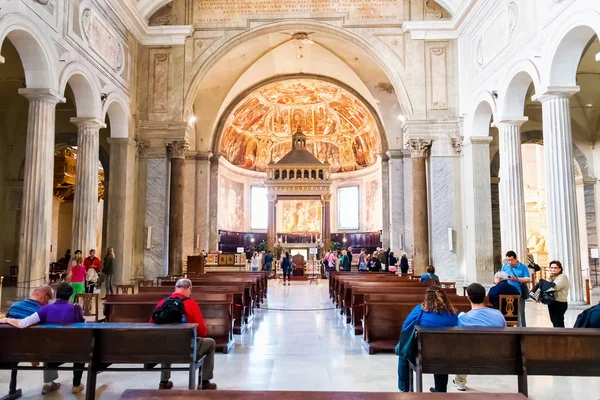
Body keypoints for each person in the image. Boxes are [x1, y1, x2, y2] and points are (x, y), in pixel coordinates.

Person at [0, 283, 86, 394]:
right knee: (81, 350)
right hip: (72, 352)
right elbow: (84, 325)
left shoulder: (45, 309)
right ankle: (76, 385)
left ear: (57, 295)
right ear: (70, 295)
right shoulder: (76, 308)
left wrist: (7, 320)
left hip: (48, 354)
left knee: (49, 345)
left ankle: (49, 383)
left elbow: (22, 323)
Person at [151, 279, 217, 390]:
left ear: (176, 288)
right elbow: (202, 331)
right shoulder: (191, 304)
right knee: (210, 343)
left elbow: (151, 325)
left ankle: (164, 381)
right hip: (187, 349)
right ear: (188, 289)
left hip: (165, 348)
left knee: (166, 341)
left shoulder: (162, 303)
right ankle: (205, 381)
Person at [398, 285, 458, 393]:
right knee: (441, 351)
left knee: (402, 351)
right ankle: (440, 389)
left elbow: (405, 327)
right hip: (444, 354)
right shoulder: (452, 314)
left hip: (422, 355)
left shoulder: (420, 310)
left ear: (426, 297)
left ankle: (404, 387)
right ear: (444, 297)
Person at [4, 285, 58, 394]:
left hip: (11, 350)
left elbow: (7, 327)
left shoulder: (14, 306)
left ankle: (12, 388)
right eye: (50, 298)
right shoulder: (42, 311)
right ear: (43, 296)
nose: (49, 302)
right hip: (36, 351)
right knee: (49, 344)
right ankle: (49, 384)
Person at [453, 283, 506, 391]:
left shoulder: (463, 318)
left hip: (471, 357)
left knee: (462, 349)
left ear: (468, 297)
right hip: (498, 355)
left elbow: (459, 340)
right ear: (484, 296)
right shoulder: (498, 314)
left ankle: (460, 381)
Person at [501, 250, 531, 327]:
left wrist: (516, 279)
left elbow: (528, 279)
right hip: (506, 293)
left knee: (520, 313)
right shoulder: (505, 266)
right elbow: (501, 276)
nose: (509, 262)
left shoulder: (522, 267)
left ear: (516, 258)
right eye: (508, 260)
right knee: (507, 313)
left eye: (511, 260)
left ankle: (522, 330)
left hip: (518, 292)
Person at [546, 260, 570, 327]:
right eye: (551, 267)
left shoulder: (562, 277)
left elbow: (555, 287)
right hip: (552, 302)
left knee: (558, 322)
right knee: (554, 320)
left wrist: (546, 285)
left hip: (559, 302)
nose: (553, 269)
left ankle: (561, 336)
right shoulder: (551, 277)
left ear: (560, 269)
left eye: (555, 268)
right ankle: (558, 336)